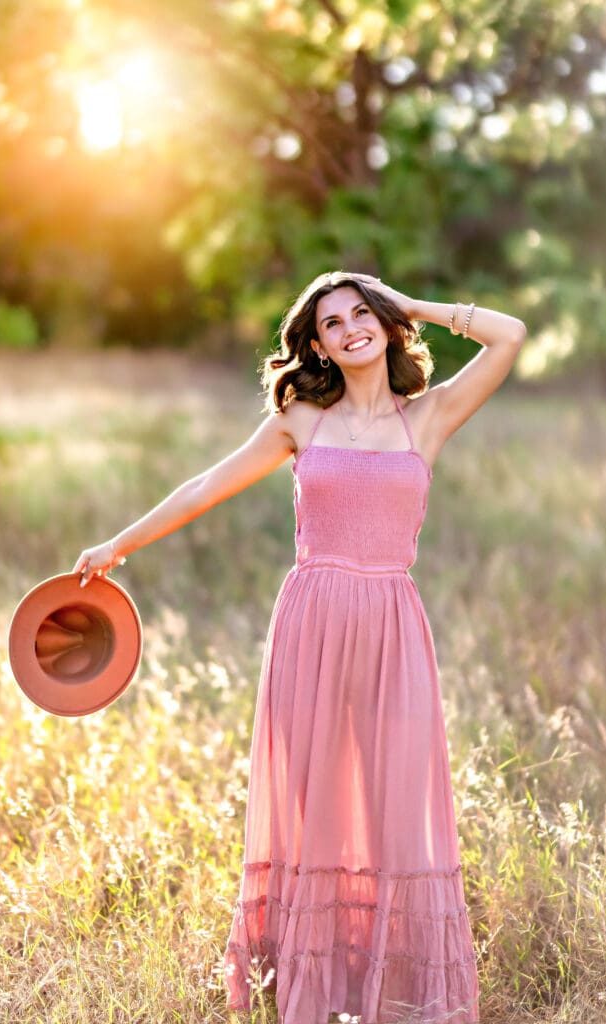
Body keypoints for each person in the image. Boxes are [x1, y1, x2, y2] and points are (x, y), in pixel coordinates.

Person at [74, 271, 527, 1024]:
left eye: (361, 314)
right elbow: (205, 485)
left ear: (381, 324)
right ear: (313, 344)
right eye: (332, 322)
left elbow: (507, 335)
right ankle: (305, 987)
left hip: (391, 625)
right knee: (313, 801)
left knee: (393, 806)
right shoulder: (299, 421)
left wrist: (411, 305)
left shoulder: (430, 418)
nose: (350, 328)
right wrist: (119, 544)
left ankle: (391, 988)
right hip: (311, 624)